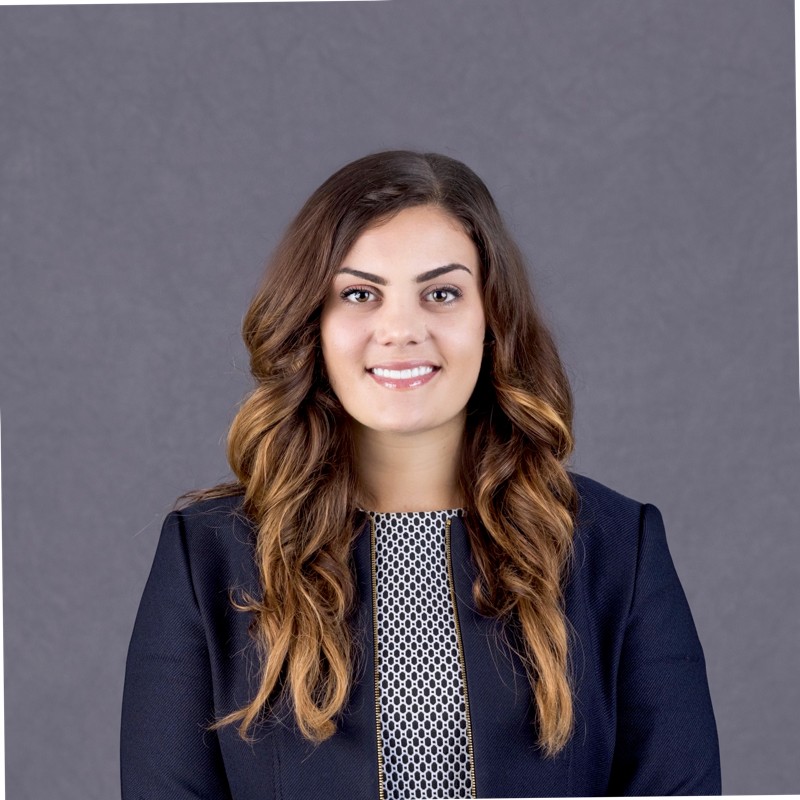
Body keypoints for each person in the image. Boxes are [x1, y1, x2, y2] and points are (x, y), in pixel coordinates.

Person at [121, 150, 721, 798]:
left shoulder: (615, 548)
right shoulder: (207, 558)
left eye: (441, 293)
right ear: (312, 322)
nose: (401, 330)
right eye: (360, 294)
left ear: (492, 318)